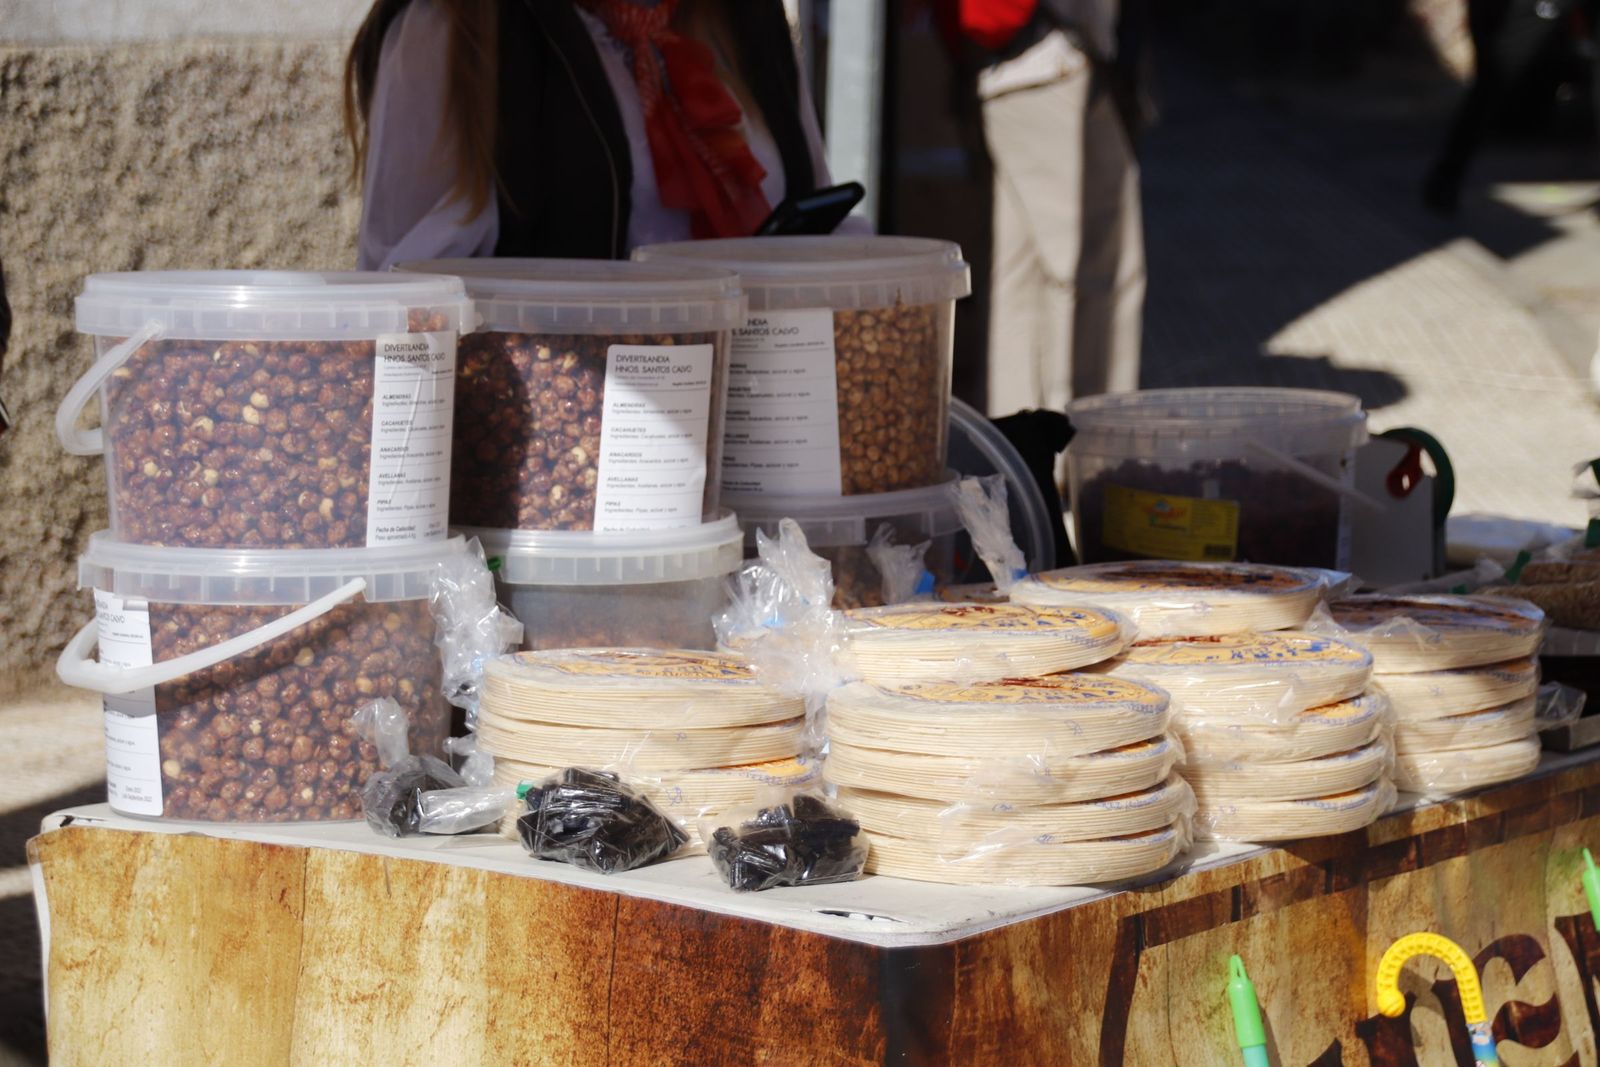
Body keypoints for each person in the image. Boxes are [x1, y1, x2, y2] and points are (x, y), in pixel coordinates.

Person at [345, 0, 847, 268]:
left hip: (757, 421)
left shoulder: (745, 21)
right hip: (565, 438)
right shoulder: (457, 32)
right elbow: (408, 300)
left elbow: (826, 227)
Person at [953, 0, 1145, 418]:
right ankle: (1090, 449)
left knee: (1018, 273)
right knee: (1097, 270)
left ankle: (1016, 444)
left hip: (1007, 63)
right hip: (1052, 56)